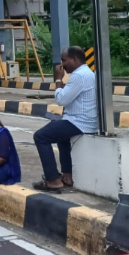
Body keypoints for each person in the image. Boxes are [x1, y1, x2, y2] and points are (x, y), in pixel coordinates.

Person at [33, 46, 97, 192]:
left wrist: (58, 79)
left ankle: (53, 180)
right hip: (80, 119)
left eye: (64, 60)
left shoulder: (79, 76)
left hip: (80, 122)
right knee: (61, 137)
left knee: (40, 136)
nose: (62, 65)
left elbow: (61, 99)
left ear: (75, 59)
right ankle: (67, 176)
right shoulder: (86, 73)